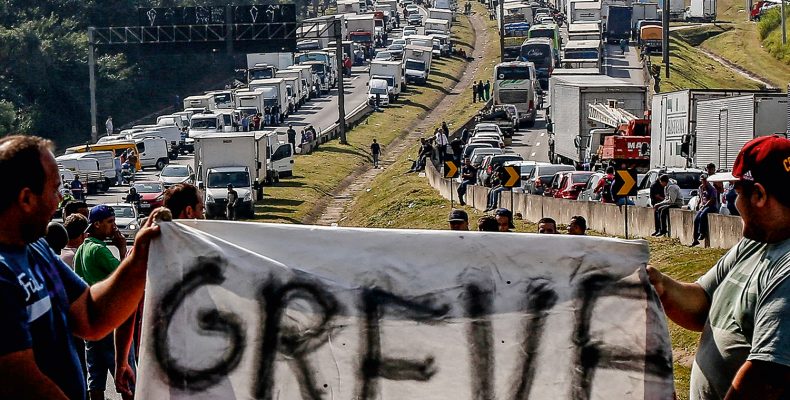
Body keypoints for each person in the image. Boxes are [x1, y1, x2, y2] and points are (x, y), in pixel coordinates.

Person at [0, 135, 160, 400]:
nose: (60, 200)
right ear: (26, 199)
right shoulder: (4, 274)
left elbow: (91, 316)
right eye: (55, 190)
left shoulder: (36, 249)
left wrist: (138, 257)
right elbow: (19, 381)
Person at [647, 135, 790, 400]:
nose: (735, 203)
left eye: (737, 192)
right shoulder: (755, 243)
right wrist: (661, 286)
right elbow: (704, 302)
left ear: (758, 194)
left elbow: (768, 378)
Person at [74, 205, 137, 400]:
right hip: (110, 323)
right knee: (126, 373)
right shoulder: (99, 250)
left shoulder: (82, 249)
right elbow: (126, 277)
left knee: (96, 377)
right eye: (110, 222)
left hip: (91, 323)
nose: (114, 227)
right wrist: (122, 247)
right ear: (97, 224)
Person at [691, 174, 719, 247]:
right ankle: (695, 239)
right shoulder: (700, 188)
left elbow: (712, 199)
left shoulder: (712, 189)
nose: (703, 182)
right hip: (703, 206)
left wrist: (705, 205)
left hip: (711, 206)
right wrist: (698, 204)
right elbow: (700, 197)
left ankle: (702, 233)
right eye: (702, 180)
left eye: (705, 180)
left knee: (703, 215)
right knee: (696, 219)